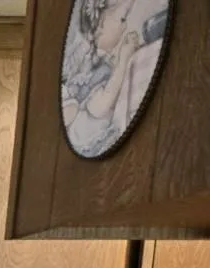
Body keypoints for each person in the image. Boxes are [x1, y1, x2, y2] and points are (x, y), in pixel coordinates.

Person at [61, 0, 168, 157]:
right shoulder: (92, 70)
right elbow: (103, 102)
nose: (124, 26)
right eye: (122, 19)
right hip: (91, 137)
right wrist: (124, 60)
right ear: (100, 27)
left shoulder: (102, 64)